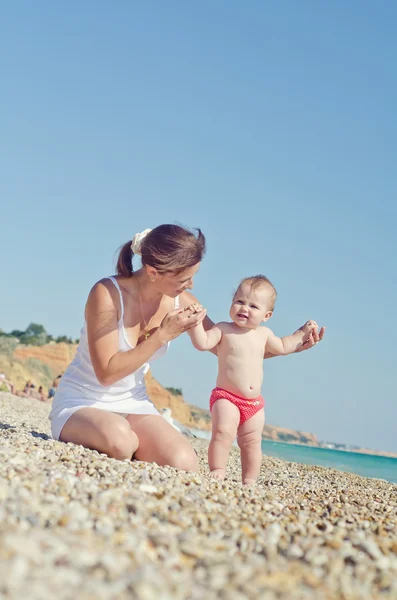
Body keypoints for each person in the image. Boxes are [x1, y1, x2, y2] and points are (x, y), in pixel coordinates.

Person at [49, 225, 324, 472]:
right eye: (184, 279)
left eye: (193, 277)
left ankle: (131, 441)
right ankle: (112, 438)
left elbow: (231, 347)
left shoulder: (182, 300)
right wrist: (162, 335)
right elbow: (106, 373)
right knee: (120, 442)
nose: (190, 285)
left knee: (184, 462)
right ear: (154, 272)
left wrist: (293, 347)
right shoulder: (107, 294)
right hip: (83, 401)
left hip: (133, 404)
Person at [188, 275, 322, 484]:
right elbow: (203, 343)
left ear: (266, 315)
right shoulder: (223, 328)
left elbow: (285, 346)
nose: (244, 308)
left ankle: (249, 479)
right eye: (240, 301)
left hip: (254, 404)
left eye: (253, 306)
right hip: (227, 397)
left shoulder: (264, 334)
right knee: (223, 432)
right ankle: (218, 469)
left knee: (252, 442)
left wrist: (302, 332)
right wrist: (195, 324)